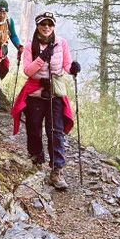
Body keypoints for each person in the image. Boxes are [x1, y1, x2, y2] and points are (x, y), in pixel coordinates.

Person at [11, 11, 81, 190]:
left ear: (53, 26)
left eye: (50, 24)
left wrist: (73, 69)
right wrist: (43, 57)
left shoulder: (61, 43)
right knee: (34, 129)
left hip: (54, 93)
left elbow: (66, 66)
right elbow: (27, 71)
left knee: (55, 131)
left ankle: (57, 170)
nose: (47, 27)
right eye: (43, 24)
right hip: (35, 93)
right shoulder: (29, 46)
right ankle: (36, 159)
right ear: (38, 26)